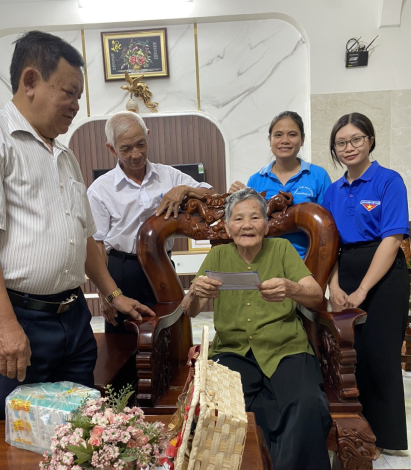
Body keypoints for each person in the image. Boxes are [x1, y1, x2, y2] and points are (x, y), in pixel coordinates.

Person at [0, 31, 155, 420]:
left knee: (81, 433)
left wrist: (113, 293)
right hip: (22, 319)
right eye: (69, 92)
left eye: (79, 95)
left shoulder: (64, 153)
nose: (76, 105)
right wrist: (6, 327)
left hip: (73, 319)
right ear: (30, 81)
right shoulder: (4, 143)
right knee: (25, 438)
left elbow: (84, 237)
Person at [182, 188, 332, 470]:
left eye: (255, 217)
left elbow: (316, 295)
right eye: (238, 218)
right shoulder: (218, 255)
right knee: (219, 410)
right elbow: (189, 309)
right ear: (226, 226)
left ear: (266, 224)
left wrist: (291, 288)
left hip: (285, 347)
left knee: (305, 403)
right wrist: (196, 292)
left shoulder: (281, 250)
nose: (246, 225)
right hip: (233, 350)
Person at [322, 112, 409, 457]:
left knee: (381, 355)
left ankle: (387, 439)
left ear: (370, 140)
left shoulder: (388, 181)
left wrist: (362, 290)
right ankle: (357, 435)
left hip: (385, 275)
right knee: (350, 355)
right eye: (342, 142)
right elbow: (330, 245)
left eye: (356, 139)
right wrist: (335, 285)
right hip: (346, 270)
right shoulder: (332, 190)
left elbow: (392, 239)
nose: (349, 147)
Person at [87, 111, 214, 333]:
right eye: (126, 148)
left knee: (170, 331)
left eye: (141, 144)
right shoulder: (100, 189)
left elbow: (212, 195)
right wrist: (106, 294)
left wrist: (184, 189)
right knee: (123, 340)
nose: (136, 154)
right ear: (111, 148)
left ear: (148, 136)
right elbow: (97, 245)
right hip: (122, 271)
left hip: (163, 265)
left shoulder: (169, 176)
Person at [229, 111, 331, 258]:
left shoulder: (318, 175)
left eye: (292, 134)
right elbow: (249, 225)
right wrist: (235, 199)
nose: (285, 140)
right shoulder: (256, 180)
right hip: (265, 262)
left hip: (307, 263)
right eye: (278, 135)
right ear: (270, 140)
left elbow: (328, 226)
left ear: (302, 139)